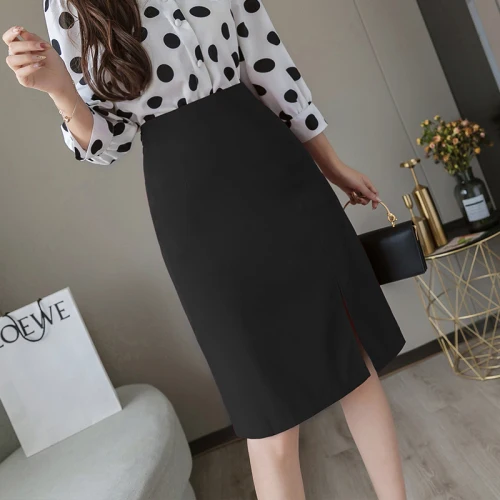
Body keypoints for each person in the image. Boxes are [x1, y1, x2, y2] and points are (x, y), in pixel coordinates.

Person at [3, 1, 407, 498]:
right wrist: (59, 90)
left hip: (280, 172)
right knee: (271, 417)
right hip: (194, 208)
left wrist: (331, 164)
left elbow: (268, 65)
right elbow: (111, 142)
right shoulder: (70, 5)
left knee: (356, 360)